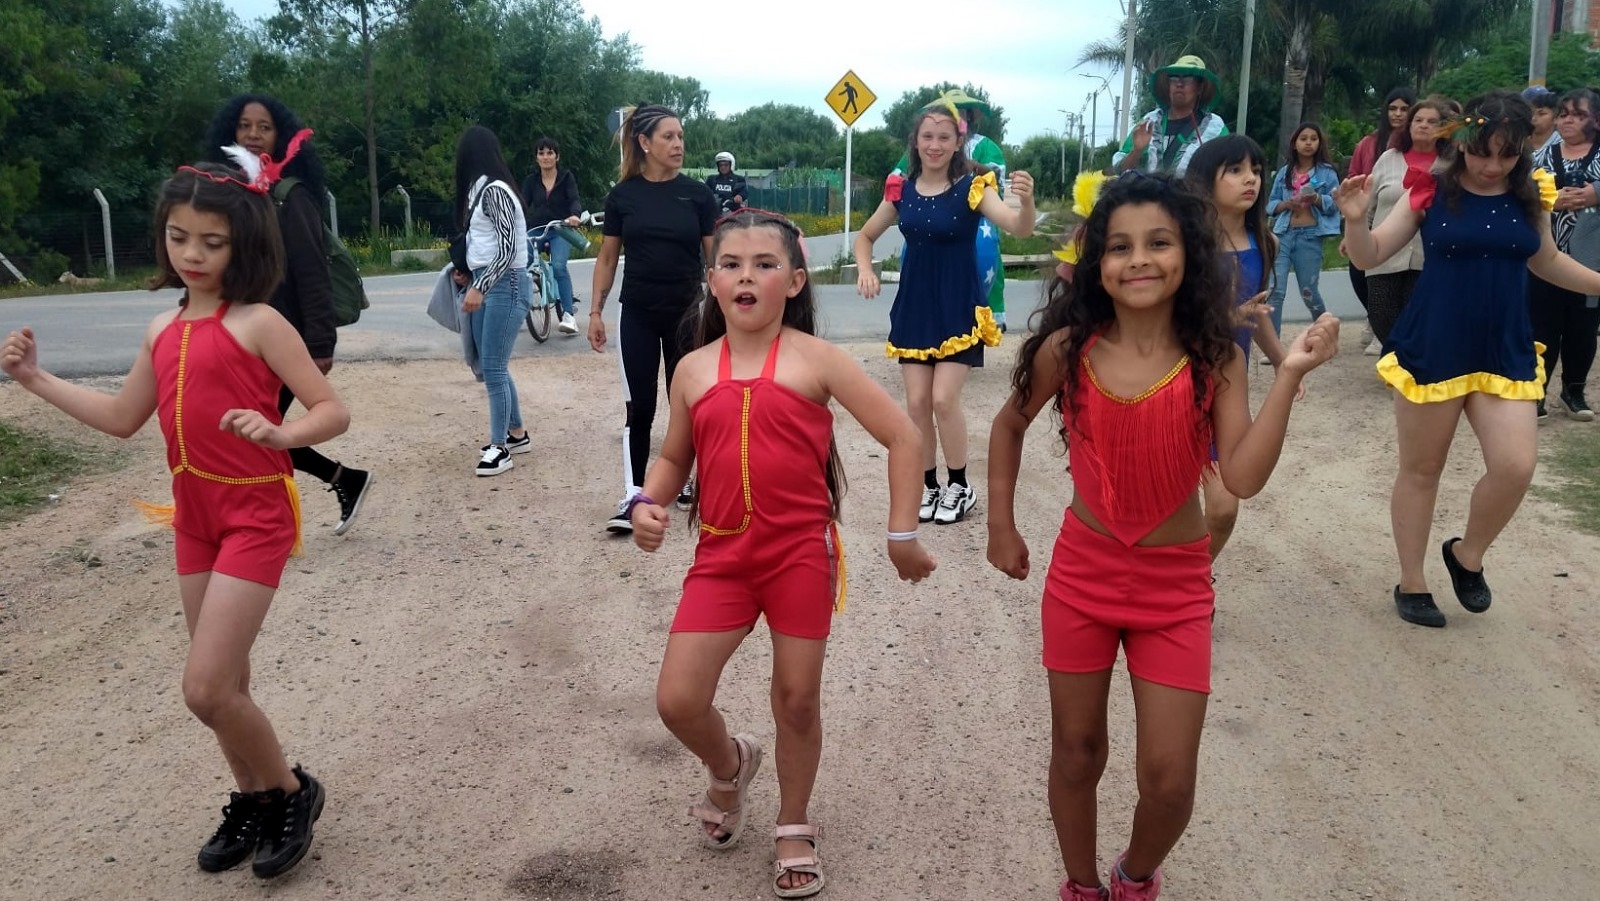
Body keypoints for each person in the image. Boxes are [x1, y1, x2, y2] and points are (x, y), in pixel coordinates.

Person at [987, 172, 1338, 901]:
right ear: (1096, 263)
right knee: (1077, 752)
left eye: (1158, 243)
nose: (1138, 260)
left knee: (1170, 778)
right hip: (1081, 575)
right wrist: (1001, 522)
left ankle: (1134, 875)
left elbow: (1239, 476)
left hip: (1175, 585)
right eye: (1119, 247)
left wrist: (1290, 375)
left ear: (1189, 254)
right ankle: (1081, 885)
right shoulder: (1067, 347)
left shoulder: (1215, 358)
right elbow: (1010, 421)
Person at [1, 161, 348, 879]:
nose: (191, 254)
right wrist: (35, 380)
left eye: (211, 242)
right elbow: (124, 417)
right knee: (229, 682)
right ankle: (253, 797)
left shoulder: (261, 322)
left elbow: (332, 409)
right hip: (194, 513)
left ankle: (290, 791)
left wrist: (284, 435)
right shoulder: (162, 326)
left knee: (205, 687)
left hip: (255, 513)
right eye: (177, 236)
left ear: (243, 246)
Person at [631, 209, 936, 899]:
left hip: (799, 554)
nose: (746, 276)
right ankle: (730, 763)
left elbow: (904, 436)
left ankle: (793, 820)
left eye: (764, 264)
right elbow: (675, 455)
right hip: (722, 556)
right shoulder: (691, 369)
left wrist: (901, 533)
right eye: (731, 264)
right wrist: (648, 503)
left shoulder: (817, 359)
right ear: (711, 279)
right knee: (678, 698)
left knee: (796, 700)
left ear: (794, 280)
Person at [1335, 90, 1600, 628]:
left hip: (1505, 345)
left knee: (1516, 466)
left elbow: (1546, 260)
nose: (1491, 165)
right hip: (1434, 343)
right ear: (1463, 142)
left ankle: (1466, 555)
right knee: (1422, 469)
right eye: (1482, 152)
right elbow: (1370, 255)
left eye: (1506, 154)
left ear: (1521, 150)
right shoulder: (1430, 189)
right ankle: (1412, 580)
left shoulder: (1532, 195)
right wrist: (1356, 220)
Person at [854, 99, 1036, 526]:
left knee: (942, 398)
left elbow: (1019, 228)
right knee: (917, 402)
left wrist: (1026, 203)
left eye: (944, 138)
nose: (934, 145)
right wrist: (865, 269)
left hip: (958, 307)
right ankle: (930, 486)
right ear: (915, 143)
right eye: (927, 137)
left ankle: (961, 485)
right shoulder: (901, 191)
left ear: (958, 143)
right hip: (915, 308)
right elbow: (865, 237)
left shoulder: (973, 187)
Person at [206, 94, 373, 535]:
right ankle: (344, 480)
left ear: (280, 136)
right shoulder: (229, 197)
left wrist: (320, 344)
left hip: (284, 340)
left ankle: (258, 519)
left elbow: (313, 273)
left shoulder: (287, 199)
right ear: (232, 133)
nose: (254, 134)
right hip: (239, 337)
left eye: (264, 127)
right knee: (252, 428)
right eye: (245, 126)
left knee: (258, 429)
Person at [589, 105, 719, 532]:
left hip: (687, 313)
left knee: (690, 405)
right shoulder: (623, 196)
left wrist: (726, 308)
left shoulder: (698, 195)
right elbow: (607, 258)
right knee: (639, 407)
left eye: (681, 136)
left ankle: (687, 483)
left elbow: (716, 258)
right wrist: (595, 311)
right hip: (638, 313)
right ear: (645, 143)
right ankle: (633, 494)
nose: (678, 144)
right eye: (669, 137)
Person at [1185, 135, 1303, 563]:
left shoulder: (1264, 242)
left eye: (1255, 170)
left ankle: (1192, 579)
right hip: (1174, 384)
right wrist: (1223, 321)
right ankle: (1170, 591)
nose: (1249, 179)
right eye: (1234, 170)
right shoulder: (1183, 243)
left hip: (1226, 390)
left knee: (1223, 507)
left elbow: (1259, 312)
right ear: (1205, 179)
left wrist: (1281, 360)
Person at [889, 89, 1012, 330]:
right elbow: (899, 172)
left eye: (963, 114)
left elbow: (996, 175)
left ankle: (990, 317)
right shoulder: (929, 143)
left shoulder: (985, 145)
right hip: (930, 208)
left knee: (989, 254)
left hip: (975, 211)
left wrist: (970, 166)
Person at [454, 125, 533, 477]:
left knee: (494, 368)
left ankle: (499, 447)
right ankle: (516, 433)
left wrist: (480, 285)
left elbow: (507, 246)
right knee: (492, 365)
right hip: (492, 282)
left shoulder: (494, 191)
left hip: (506, 284)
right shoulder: (482, 190)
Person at [1530, 88, 1600, 421]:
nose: (1568, 119)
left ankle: (1574, 390)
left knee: (1583, 328)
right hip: (1545, 257)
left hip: (1590, 261)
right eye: (1564, 114)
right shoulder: (1542, 154)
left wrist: (1595, 193)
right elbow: (1522, 189)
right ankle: (1537, 393)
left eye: (1578, 114)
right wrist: (1549, 201)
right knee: (1541, 327)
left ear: (1596, 120)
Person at [1363, 97, 1454, 349]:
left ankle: (1410, 369)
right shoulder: (1388, 159)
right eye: (1418, 120)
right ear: (1409, 125)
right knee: (1381, 315)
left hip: (1430, 256)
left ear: (1444, 127)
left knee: (1420, 317)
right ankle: (1397, 362)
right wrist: (1358, 236)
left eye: (1432, 121)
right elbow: (1369, 204)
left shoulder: (1453, 165)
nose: (1424, 125)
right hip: (1385, 254)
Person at [1346, 88, 1417, 351]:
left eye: (1404, 109)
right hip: (1371, 216)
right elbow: (1355, 176)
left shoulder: (1431, 151)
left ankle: (1401, 353)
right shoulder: (1369, 144)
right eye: (1393, 108)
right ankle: (1377, 325)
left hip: (1413, 237)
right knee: (1364, 275)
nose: (1398, 114)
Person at [1264, 122, 1341, 337]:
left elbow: (1336, 203)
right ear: (1295, 144)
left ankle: (1326, 331)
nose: (1308, 143)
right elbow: (1270, 205)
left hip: (1310, 236)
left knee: (1308, 291)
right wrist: (1287, 204)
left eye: (1313, 139)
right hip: (1283, 234)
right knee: (1275, 291)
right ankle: (1274, 344)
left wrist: (1315, 198)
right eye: (1303, 139)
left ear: (1319, 143)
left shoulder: (1327, 173)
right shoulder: (1284, 173)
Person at [1113, 55, 1230, 177]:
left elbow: (1227, 172)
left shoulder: (1215, 128)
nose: (1179, 84)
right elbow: (1120, 172)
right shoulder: (1149, 122)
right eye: (1174, 78)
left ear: (1200, 87)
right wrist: (1136, 151)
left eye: (1187, 78)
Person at [520, 136, 584, 336]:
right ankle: (519, 306)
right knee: (520, 262)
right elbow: (522, 205)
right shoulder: (531, 181)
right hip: (536, 229)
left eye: (550, 153)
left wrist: (575, 215)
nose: (545, 157)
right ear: (536, 157)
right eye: (541, 153)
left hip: (559, 229)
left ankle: (568, 316)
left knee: (558, 266)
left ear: (557, 156)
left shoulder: (566, 177)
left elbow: (574, 199)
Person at [1524, 85, 1559, 153]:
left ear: (1556, 117)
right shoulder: (1517, 143)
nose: (1533, 118)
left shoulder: (1564, 144)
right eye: (1530, 113)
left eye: (1541, 114)